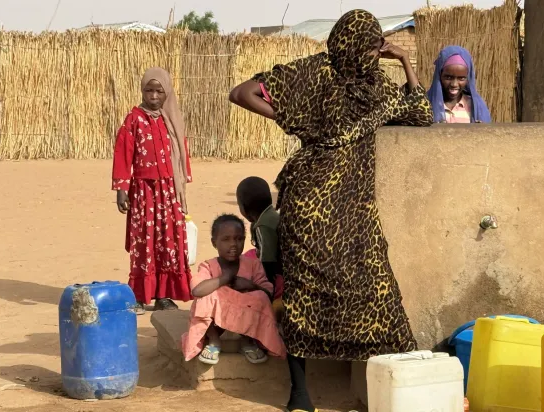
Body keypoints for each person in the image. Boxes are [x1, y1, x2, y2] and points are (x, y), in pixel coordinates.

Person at [229, 9, 433, 412]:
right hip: (331, 208)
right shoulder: (349, 81)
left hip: (329, 207)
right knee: (342, 295)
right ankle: (336, 394)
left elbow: (241, 93)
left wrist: (407, 62)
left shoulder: (345, 78)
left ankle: (319, 394)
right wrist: (406, 62)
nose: (376, 52)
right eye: (374, 44)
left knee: (335, 295)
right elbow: (241, 92)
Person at [112, 67, 193, 315]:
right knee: (144, 242)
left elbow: (181, 153)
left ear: (166, 92)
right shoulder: (133, 119)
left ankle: (164, 295)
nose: (154, 96)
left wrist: (181, 182)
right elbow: (123, 154)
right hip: (143, 193)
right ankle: (140, 294)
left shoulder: (172, 121)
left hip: (169, 192)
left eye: (159, 91)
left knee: (168, 242)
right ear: (142, 90)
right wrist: (121, 187)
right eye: (149, 90)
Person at [181, 214, 286, 365]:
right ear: (214, 242)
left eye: (239, 239)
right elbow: (197, 291)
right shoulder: (208, 266)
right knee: (205, 297)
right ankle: (214, 340)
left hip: (244, 319)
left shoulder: (252, 265)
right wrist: (225, 278)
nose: (233, 244)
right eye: (226, 239)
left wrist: (251, 286)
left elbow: (268, 294)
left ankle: (247, 340)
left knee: (260, 297)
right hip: (217, 321)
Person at [236, 177, 284, 303]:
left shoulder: (263, 225)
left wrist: (263, 286)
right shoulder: (270, 215)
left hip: (278, 273)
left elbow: (267, 260)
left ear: (244, 208)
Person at [427, 45, 491, 123]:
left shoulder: (476, 107)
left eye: (461, 78)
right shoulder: (427, 103)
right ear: (439, 75)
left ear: (468, 79)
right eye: (448, 77)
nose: (454, 84)